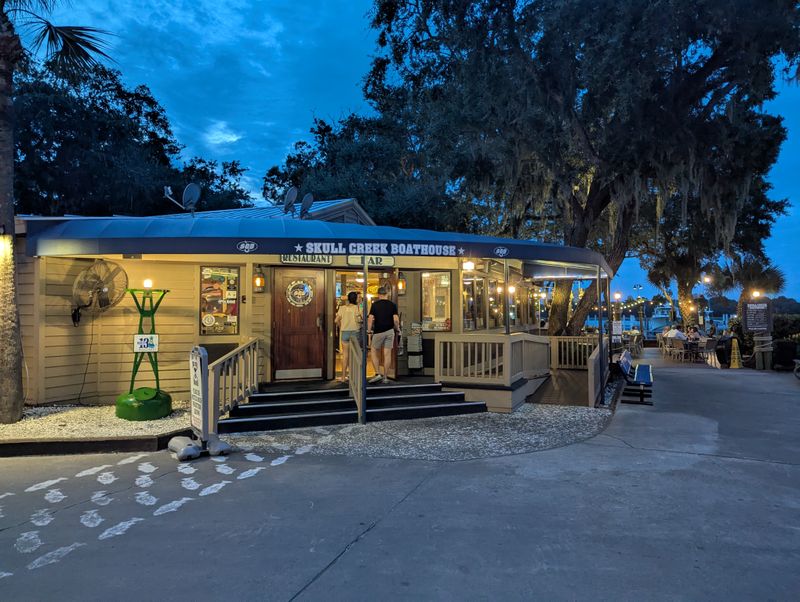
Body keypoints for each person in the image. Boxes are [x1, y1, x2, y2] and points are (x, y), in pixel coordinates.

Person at [367, 287, 400, 384]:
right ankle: (385, 377)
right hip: (390, 331)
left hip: (378, 332)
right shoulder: (392, 305)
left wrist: (369, 331)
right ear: (387, 294)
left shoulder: (375, 305)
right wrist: (397, 328)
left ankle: (377, 373)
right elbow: (396, 320)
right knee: (387, 354)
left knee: (373, 351)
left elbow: (370, 319)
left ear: (378, 294)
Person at [335, 291, 362, 382]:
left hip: (345, 332)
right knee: (355, 355)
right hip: (355, 332)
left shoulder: (342, 308)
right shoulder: (358, 308)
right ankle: (354, 376)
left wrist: (341, 325)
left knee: (345, 355)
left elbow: (336, 320)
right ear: (356, 299)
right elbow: (360, 320)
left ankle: (343, 377)